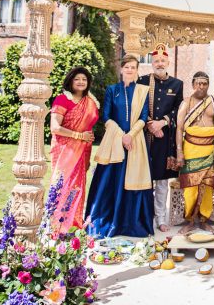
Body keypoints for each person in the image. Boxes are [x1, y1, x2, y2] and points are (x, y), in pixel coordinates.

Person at [86, 54, 153, 238]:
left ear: (137, 71)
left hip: (135, 142)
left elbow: (143, 117)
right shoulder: (112, 90)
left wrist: (130, 135)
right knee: (111, 181)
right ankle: (109, 221)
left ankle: (130, 224)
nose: (130, 70)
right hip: (114, 142)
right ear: (121, 69)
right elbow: (106, 116)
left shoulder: (142, 91)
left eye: (133, 67)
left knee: (134, 181)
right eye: (127, 67)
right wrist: (121, 135)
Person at [137, 43, 184, 233]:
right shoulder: (142, 81)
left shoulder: (177, 84)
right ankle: (145, 216)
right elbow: (137, 107)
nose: (159, 63)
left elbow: (179, 109)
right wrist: (150, 124)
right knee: (144, 179)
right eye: (156, 60)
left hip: (165, 138)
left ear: (168, 62)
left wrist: (162, 123)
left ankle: (161, 218)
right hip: (145, 137)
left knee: (162, 181)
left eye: (162, 60)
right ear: (152, 63)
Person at [175, 71, 214, 235]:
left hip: (210, 150)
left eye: (204, 84)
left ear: (208, 85)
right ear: (192, 84)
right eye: (198, 83)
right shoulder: (186, 103)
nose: (201, 87)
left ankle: (204, 219)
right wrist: (179, 152)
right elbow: (179, 128)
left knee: (208, 186)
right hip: (191, 150)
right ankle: (190, 220)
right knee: (190, 187)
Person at [48, 67, 99, 232]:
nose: (81, 82)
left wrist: (85, 137)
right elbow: (55, 128)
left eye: (84, 79)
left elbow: (88, 128)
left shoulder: (90, 103)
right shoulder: (62, 99)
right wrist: (79, 136)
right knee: (62, 185)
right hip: (64, 151)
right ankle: (59, 225)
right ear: (70, 80)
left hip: (82, 151)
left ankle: (74, 224)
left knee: (77, 187)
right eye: (77, 79)